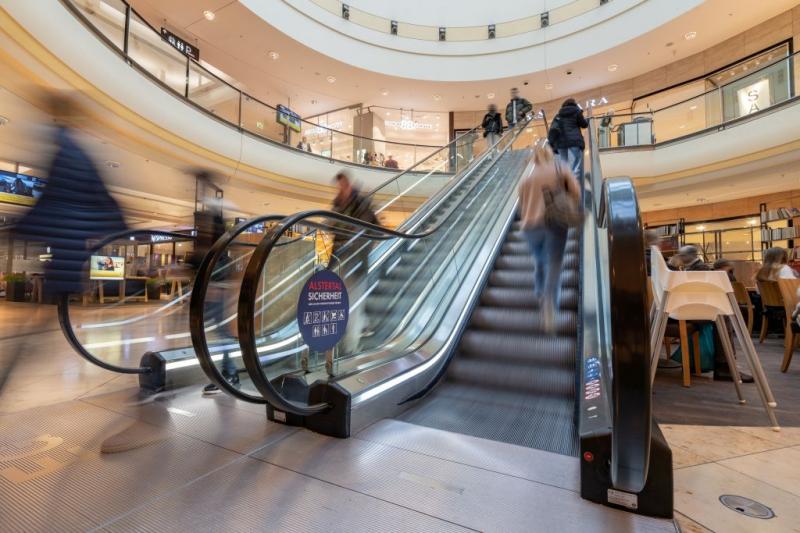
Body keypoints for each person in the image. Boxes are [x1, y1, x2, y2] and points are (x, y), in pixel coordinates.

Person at [518, 142, 580, 332]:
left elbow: (521, 204)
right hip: (554, 222)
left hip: (530, 227)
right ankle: (549, 302)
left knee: (540, 260)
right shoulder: (559, 167)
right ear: (548, 154)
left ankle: (539, 290)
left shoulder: (526, 177)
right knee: (554, 264)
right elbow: (576, 192)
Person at [329, 171, 379, 351]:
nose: (341, 188)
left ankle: (349, 347)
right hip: (340, 257)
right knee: (344, 300)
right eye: (339, 185)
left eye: (344, 184)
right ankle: (361, 326)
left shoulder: (362, 203)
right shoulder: (337, 204)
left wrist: (360, 243)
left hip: (356, 258)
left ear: (350, 184)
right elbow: (331, 226)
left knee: (354, 301)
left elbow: (373, 228)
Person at [548, 98, 589, 180]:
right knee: (578, 159)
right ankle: (573, 177)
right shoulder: (577, 112)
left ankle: (566, 180)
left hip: (560, 143)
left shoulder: (558, 115)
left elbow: (553, 128)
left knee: (564, 162)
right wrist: (586, 118)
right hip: (574, 140)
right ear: (574, 104)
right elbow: (584, 125)